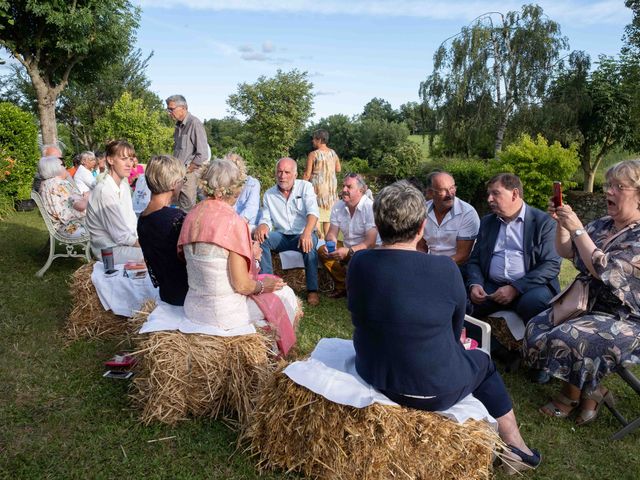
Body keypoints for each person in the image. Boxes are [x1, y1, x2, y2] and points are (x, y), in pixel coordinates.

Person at [348, 180, 540, 473]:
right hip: (431, 389)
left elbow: (358, 314)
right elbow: (454, 332)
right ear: (422, 228)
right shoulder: (444, 268)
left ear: (378, 221)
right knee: (484, 363)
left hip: (374, 371)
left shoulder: (359, 263)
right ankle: (516, 448)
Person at [524, 160, 640, 426]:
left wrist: (576, 227)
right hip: (588, 305)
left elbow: (604, 270)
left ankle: (572, 395)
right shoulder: (603, 224)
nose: (609, 192)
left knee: (568, 337)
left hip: (627, 317)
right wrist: (562, 224)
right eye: (608, 185)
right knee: (537, 327)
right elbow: (567, 251)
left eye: (618, 187)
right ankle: (594, 392)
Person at [177, 158, 299, 354]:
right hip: (223, 315)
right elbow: (242, 285)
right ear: (235, 188)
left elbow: (197, 259)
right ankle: (273, 355)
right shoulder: (234, 222)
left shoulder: (192, 215)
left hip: (192, 308)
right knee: (286, 295)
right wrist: (262, 286)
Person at [466, 173, 561, 322]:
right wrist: (475, 284)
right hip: (493, 287)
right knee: (463, 300)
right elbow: (475, 260)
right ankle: (476, 343)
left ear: (515, 194)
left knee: (534, 303)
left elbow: (551, 265)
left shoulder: (544, 223)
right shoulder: (487, 222)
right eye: (489, 194)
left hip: (531, 286)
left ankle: (532, 343)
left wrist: (515, 288)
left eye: (495, 193)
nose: (489, 199)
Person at [255, 157, 320, 306]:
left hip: (304, 233)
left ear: (295, 175)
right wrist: (263, 225)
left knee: (308, 246)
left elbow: (313, 212)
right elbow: (266, 217)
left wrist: (307, 232)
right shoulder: (269, 194)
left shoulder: (305, 187)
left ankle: (312, 290)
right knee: (262, 239)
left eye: (287, 172)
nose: (282, 176)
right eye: (279, 172)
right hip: (283, 236)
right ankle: (269, 281)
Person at [137, 155, 188, 306]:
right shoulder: (176, 219)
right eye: (182, 181)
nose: (182, 186)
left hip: (167, 294)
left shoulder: (143, 218)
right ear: (173, 183)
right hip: (187, 297)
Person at [318, 173, 377, 298]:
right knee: (322, 251)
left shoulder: (370, 207)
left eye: (349, 187)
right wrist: (331, 244)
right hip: (347, 247)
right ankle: (342, 286)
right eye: (343, 186)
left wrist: (349, 251)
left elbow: (371, 242)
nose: (344, 190)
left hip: (367, 252)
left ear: (361, 190)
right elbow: (332, 233)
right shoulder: (338, 206)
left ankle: (356, 286)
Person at [86, 140, 143, 264]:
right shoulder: (104, 191)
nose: (129, 164)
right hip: (108, 251)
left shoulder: (123, 186)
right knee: (157, 255)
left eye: (131, 159)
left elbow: (131, 222)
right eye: (124, 159)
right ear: (111, 160)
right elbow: (120, 236)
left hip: (124, 244)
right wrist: (146, 247)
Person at [421, 171, 480, 265]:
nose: (449, 194)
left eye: (452, 188)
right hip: (430, 264)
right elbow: (420, 247)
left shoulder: (467, 213)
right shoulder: (422, 211)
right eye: (442, 190)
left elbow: (463, 255)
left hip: (458, 267)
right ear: (430, 192)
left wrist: (435, 266)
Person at [166, 94, 208, 211]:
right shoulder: (178, 126)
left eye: (171, 109)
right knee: (174, 209)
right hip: (177, 175)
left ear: (184, 108)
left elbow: (203, 154)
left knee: (186, 209)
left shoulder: (194, 123)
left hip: (188, 176)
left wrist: (188, 170)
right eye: (168, 109)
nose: (169, 112)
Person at [303, 129, 341, 238]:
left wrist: (300, 188)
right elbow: (338, 169)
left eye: (314, 139)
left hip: (317, 192)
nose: (312, 141)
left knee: (316, 218)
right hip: (330, 193)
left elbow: (307, 174)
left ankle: (319, 243)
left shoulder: (313, 154)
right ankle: (328, 247)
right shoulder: (333, 153)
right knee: (328, 220)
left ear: (319, 140)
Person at [37, 156, 87, 238]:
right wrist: (86, 198)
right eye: (62, 165)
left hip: (60, 227)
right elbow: (78, 208)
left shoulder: (45, 184)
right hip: (71, 228)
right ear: (54, 168)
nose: (65, 167)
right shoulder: (59, 184)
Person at [224, 153, 261, 230]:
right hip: (228, 223)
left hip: (249, 224)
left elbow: (251, 209)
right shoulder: (224, 184)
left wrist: (234, 226)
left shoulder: (253, 183)